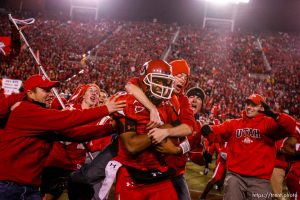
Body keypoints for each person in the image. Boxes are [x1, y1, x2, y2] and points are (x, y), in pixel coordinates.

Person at [0, 74, 126, 200]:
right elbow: (66, 119)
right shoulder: (25, 110)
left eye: (50, 90)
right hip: (9, 186)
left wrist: (110, 128)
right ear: (30, 93)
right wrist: (105, 109)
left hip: (30, 187)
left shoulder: (40, 116)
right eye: (45, 90)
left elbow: (73, 134)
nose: (50, 94)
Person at [201, 93, 297, 200]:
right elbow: (217, 131)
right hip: (235, 177)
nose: (249, 107)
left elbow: (291, 126)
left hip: (260, 180)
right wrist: (208, 130)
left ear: (261, 107)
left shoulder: (269, 124)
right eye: (247, 104)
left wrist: (274, 115)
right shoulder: (234, 123)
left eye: (253, 105)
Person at [112, 59, 185, 200]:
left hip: (159, 172)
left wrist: (172, 139)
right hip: (131, 174)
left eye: (165, 82)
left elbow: (180, 138)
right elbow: (132, 146)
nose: (162, 87)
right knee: (88, 175)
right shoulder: (128, 101)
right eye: (158, 81)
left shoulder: (168, 106)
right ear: (144, 81)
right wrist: (161, 131)